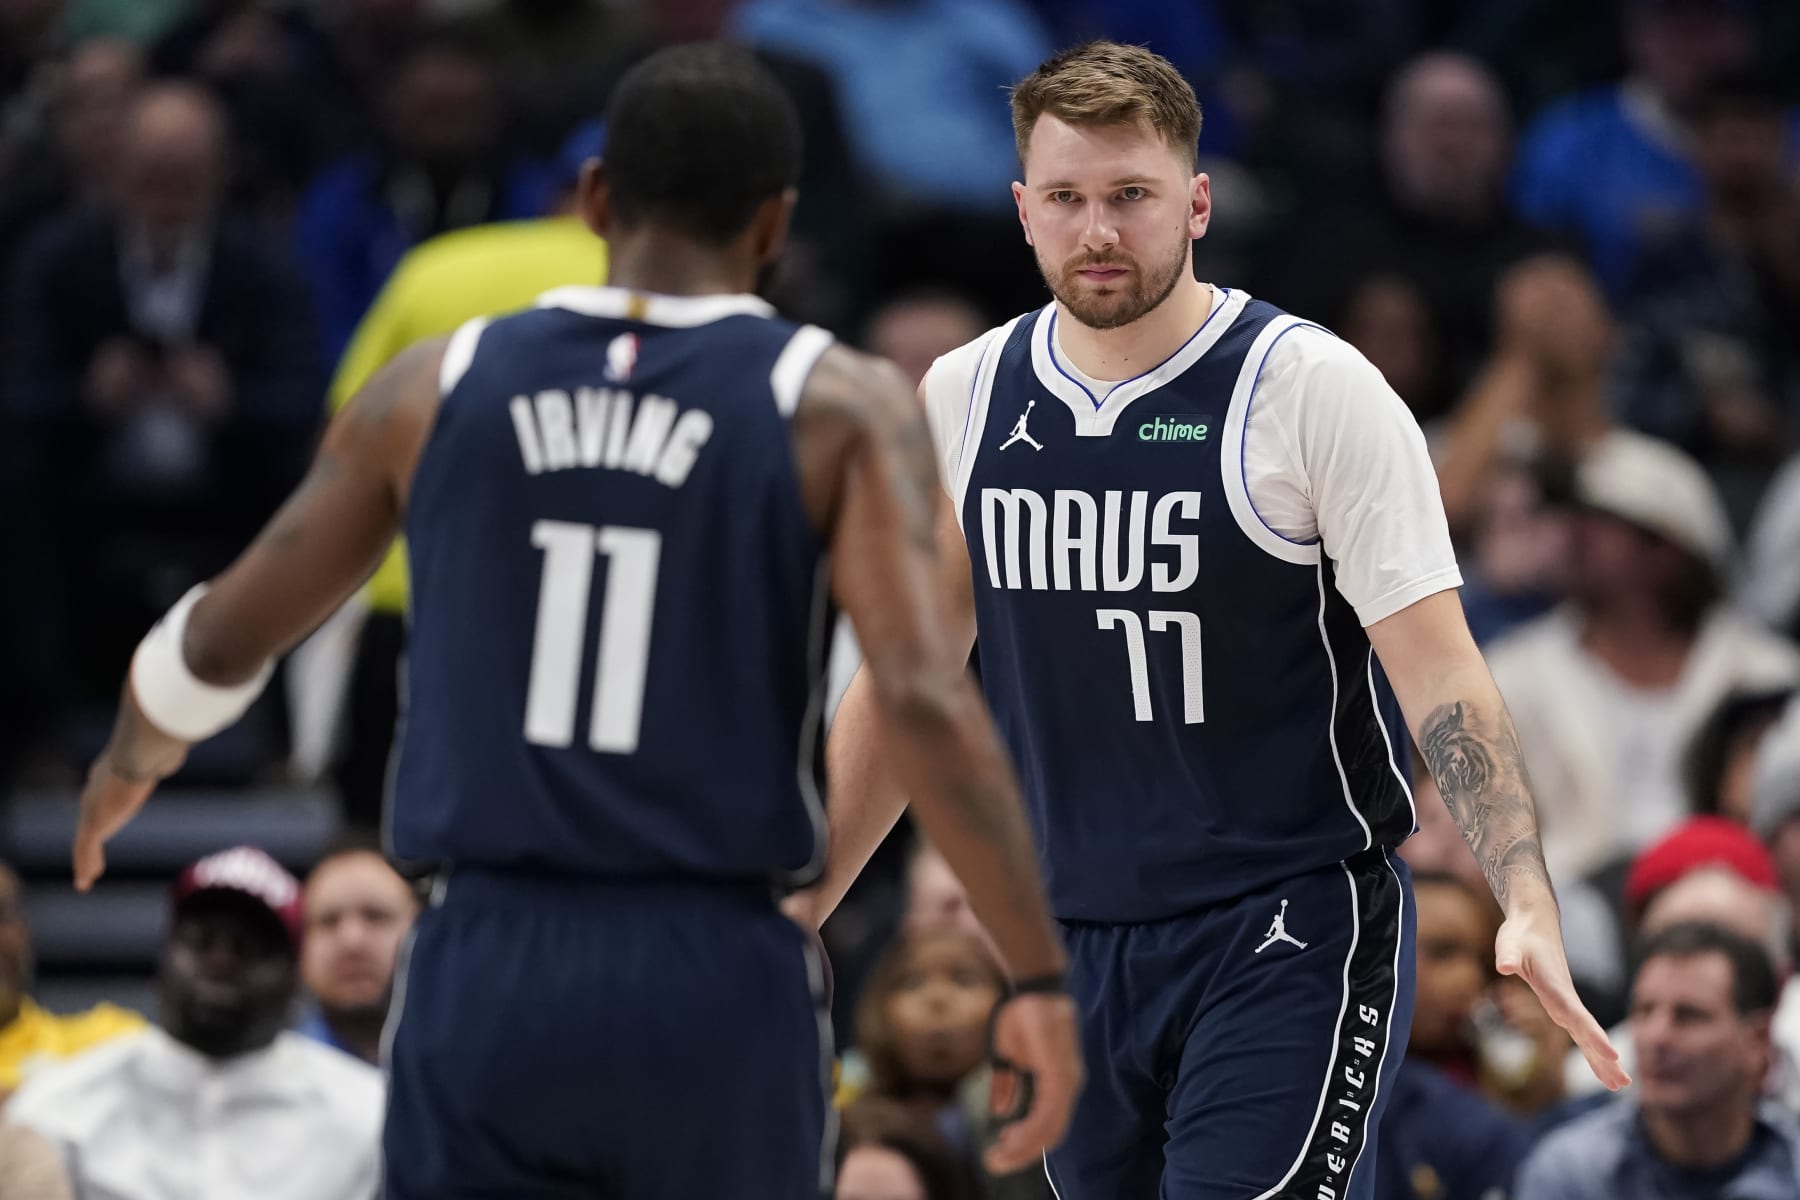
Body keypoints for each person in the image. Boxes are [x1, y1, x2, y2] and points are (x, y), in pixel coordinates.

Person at [66, 42, 1081, 1199]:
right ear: (773, 225)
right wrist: (1040, 979)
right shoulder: (838, 403)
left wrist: (126, 763)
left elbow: (225, 638)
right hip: (713, 965)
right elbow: (920, 697)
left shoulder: (437, 382)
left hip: (486, 959)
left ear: (596, 200)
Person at [790, 40, 1626, 1198]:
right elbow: (909, 685)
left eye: (1130, 197)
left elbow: (1442, 671)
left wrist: (1524, 894)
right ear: (1022, 210)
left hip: (1283, 925)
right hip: (1069, 933)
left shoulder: (1310, 389)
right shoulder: (964, 394)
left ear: (1196, 202)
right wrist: (797, 911)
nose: (1098, 232)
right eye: (1069, 199)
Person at [7, 846, 385, 1200]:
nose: (222, 962)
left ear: (293, 974)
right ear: (164, 955)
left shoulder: (368, 1117)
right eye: (201, 941)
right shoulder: (60, 1110)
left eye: (248, 947)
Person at [1517, 922, 1800, 1200]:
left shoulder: (1792, 1170)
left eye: (1689, 1015)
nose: (1656, 1037)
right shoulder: (1572, 1175)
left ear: (1757, 1041)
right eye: (1644, 1011)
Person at [295, 836, 421, 1064]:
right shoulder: (264, 1079)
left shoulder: (467, 1065)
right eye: (328, 921)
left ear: (422, 929)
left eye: (375, 916)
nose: (352, 941)